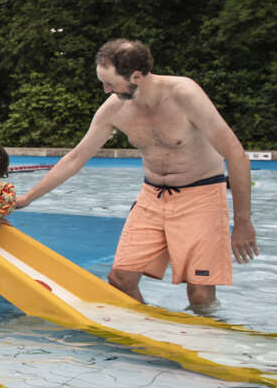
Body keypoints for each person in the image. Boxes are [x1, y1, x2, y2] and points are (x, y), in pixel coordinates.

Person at [14, 38, 258, 312]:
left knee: (200, 295)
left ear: (137, 77)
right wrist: (27, 198)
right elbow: (75, 158)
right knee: (120, 279)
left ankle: (208, 340)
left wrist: (243, 222)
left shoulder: (184, 95)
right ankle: (150, 328)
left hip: (201, 196)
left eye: (110, 83)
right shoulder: (115, 108)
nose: (105, 89)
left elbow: (236, 156)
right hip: (152, 196)